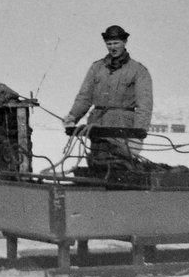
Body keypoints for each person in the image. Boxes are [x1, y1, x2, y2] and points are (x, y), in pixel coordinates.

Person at [62, 25, 154, 170]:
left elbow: (145, 105)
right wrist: (73, 116)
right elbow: (84, 97)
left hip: (123, 131)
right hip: (97, 127)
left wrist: (138, 133)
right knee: (96, 166)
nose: (112, 47)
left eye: (116, 43)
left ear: (124, 43)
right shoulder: (96, 68)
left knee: (121, 169)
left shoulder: (139, 70)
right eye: (109, 44)